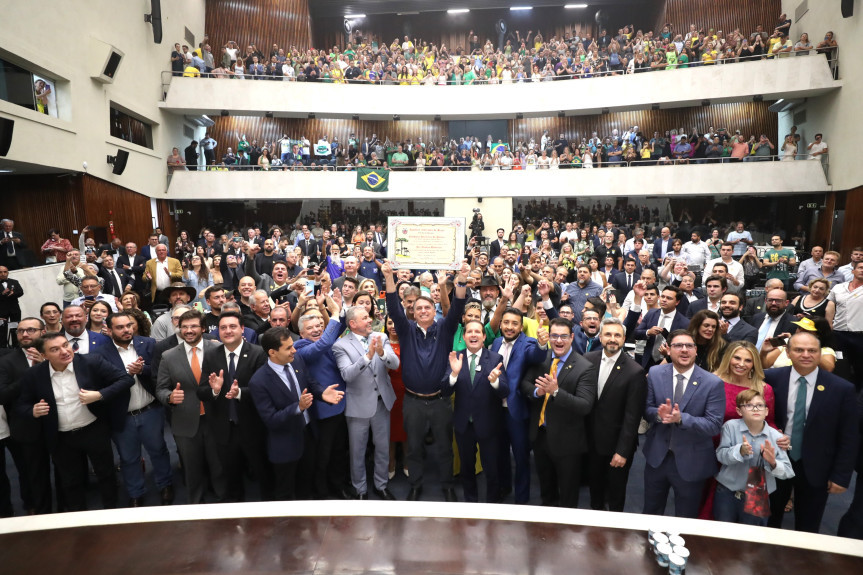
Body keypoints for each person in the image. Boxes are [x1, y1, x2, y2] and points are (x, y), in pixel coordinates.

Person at [18, 332, 134, 511]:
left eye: (66, 345)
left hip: (93, 429)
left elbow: (125, 379)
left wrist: (100, 394)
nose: (65, 351)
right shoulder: (33, 374)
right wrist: (32, 411)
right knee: (70, 481)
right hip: (61, 436)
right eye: (55, 349)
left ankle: (112, 511)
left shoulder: (90, 362)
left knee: (106, 474)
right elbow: (21, 405)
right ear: (43, 356)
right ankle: (77, 518)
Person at [383, 259, 468, 502]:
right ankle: (415, 484)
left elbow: (458, 305)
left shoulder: (445, 328)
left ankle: (447, 486)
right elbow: (392, 305)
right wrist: (389, 277)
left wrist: (461, 278)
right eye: (418, 308)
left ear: (434, 310)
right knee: (415, 448)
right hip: (413, 401)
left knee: (443, 448)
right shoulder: (406, 329)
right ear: (413, 311)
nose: (422, 311)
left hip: (440, 400)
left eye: (427, 308)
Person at [765, 332, 859, 533]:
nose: (805, 354)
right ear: (788, 352)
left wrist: (841, 475)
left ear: (820, 353)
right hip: (776, 460)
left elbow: (849, 436)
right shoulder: (771, 378)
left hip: (817, 467)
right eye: (799, 350)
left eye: (812, 350)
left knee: (808, 525)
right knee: (769, 519)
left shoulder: (842, 388)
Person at [248, 327, 344, 500]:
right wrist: (297, 408)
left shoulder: (296, 360)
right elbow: (270, 420)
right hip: (284, 444)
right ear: (272, 352)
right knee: (286, 492)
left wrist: (322, 394)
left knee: (306, 485)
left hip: (307, 435)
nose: (294, 350)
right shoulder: (259, 381)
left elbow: (310, 383)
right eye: (288, 348)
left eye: (293, 345)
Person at [93, 312, 173, 507]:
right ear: (109, 330)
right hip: (122, 415)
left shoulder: (148, 344)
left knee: (159, 450)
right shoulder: (99, 353)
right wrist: (125, 374)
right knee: (129, 458)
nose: (126, 329)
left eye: (129, 325)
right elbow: (100, 383)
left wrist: (142, 370)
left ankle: (166, 485)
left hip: (150, 410)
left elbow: (159, 372)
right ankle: (136, 492)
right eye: (120, 327)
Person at [642, 329, 725, 518]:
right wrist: (657, 414)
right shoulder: (655, 373)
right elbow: (646, 409)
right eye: (678, 346)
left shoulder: (712, 383)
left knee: (686, 518)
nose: (684, 350)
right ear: (668, 350)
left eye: (689, 346)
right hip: (657, 458)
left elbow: (713, 425)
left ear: (696, 350)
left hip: (692, 461)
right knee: (650, 512)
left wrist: (681, 419)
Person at [521, 318, 596, 508]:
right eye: (554, 336)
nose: (558, 341)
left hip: (567, 443)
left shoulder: (584, 367)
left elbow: (584, 405)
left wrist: (555, 392)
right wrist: (538, 392)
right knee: (546, 489)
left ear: (572, 337)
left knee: (568, 494)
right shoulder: (542, 358)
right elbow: (525, 384)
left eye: (563, 336)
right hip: (540, 436)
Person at [155, 309, 226, 504]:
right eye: (184, 327)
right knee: (192, 470)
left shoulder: (217, 349)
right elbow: (160, 389)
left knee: (219, 466)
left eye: (193, 326)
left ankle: (224, 504)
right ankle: (195, 507)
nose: (188, 330)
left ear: (203, 328)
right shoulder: (168, 356)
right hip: (185, 422)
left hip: (215, 419)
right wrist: (170, 397)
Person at [200, 312, 269, 502]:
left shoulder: (258, 353)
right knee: (232, 479)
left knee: (264, 474)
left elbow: (264, 390)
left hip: (253, 427)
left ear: (242, 329)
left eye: (232, 326)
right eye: (223, 328)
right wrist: (214, 391)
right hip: (224, 428)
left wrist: (239, 393)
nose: (228, 331)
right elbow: (201, 391)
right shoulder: (212, 355)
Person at [333, 307, 400, 500]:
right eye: (364, 318)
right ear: (352, 323)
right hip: (358, 406)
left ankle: (381, 485)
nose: (369, 320)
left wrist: (381, 353)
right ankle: (360, 489)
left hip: (381, 404)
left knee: (382, 448)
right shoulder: (341, 345)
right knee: (357, 451)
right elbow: (347, 374)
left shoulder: (381, 337)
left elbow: (394, 364)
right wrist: (368, 356)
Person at [584, 317, 647, 512]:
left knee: (615, 496)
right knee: (595, 492)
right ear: (600, 337)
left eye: (617, 335)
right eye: (608, 334)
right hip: (590, 443)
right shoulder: (587, 360)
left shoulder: (635, 371)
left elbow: (632, 417)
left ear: (624, 338)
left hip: (616, 448)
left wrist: (622, 452)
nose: (612, 339)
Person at [443, 320, 508, 503]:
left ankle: (493, 502)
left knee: (491, 468)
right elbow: (445, 391)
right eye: (469, 332)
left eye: (477, 332)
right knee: (466, 468)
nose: (473, 335)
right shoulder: (455, 358)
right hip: (464, 425)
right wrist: (454, 375)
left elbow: (505, 390)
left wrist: (495, 381)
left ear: (484, 336)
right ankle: (470, 502)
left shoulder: (495, 359)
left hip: (488, 423)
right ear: (463, 337)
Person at [489, 307, 547, 504]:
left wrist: (541, 343)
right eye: (506, 322)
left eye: (514, 323)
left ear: (521, 326)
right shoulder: (496, 342)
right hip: (496, 410)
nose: (510, 327)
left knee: (521, 458)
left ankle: (522, 500)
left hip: (517, 411)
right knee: (500, 453)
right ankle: (504, 488)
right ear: (501, 324)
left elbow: (537, 356)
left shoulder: (529, 343)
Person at [715, 389, 794, 525]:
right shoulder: (730, 427)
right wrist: (739, 450)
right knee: (723, 533)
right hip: (727, 492)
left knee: (751, 537)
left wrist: (773, 462)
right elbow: (721, 456)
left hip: (758, 496)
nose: (755, 409)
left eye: (760, 405)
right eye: (749, 405)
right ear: (739, 411)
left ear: (767, 411)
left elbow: (787, 471)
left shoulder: (776, 437)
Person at [0, 317, 52, 514]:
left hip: (60, 422)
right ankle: (36, 510)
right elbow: (3, 395)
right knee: (32, 473)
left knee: (67, 470)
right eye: (21, 331)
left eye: (31, 330)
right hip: (26, 427)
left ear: (42, 332)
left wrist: (46, 365)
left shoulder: (54, 353)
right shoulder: (7, 361)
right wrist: (33, 372)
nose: (25, 334)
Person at [827, 260, 863, 389]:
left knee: (859, 367)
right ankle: (838, 390)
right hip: (839, 333)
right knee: (839, 364)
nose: (862, 270)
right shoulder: (838, 287)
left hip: (860, 335)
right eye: (860, 268)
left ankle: (857, 394)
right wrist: (829, 324)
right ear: (853, 271)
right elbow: (830, 306)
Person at [0, 266, 23, 348]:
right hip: (1, 312)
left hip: (14, 310)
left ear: (8, 272)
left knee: (16, 329)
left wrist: (13, 293)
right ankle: (2, 349)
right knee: (2, 330)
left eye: (5, 272)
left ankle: (16, 347)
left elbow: (20, 292)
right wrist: (2, 294)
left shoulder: (14, 282)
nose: (3, 274)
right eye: (0, 272)